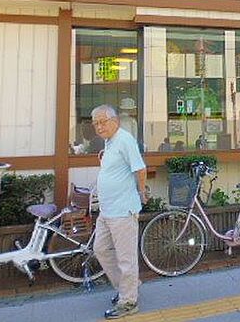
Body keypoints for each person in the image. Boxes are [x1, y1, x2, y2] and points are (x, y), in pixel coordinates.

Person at [91, 104, 147, 319]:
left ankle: (129, 301)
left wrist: (141, 192)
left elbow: (140, 168)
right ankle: (127, 287)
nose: (99, 127)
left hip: (123, 210)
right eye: (95, 123)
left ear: (115, 121)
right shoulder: (110, 141)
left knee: (126, 258)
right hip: (107, 211)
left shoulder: (124, 139)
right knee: (100, 249)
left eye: (102, 122)